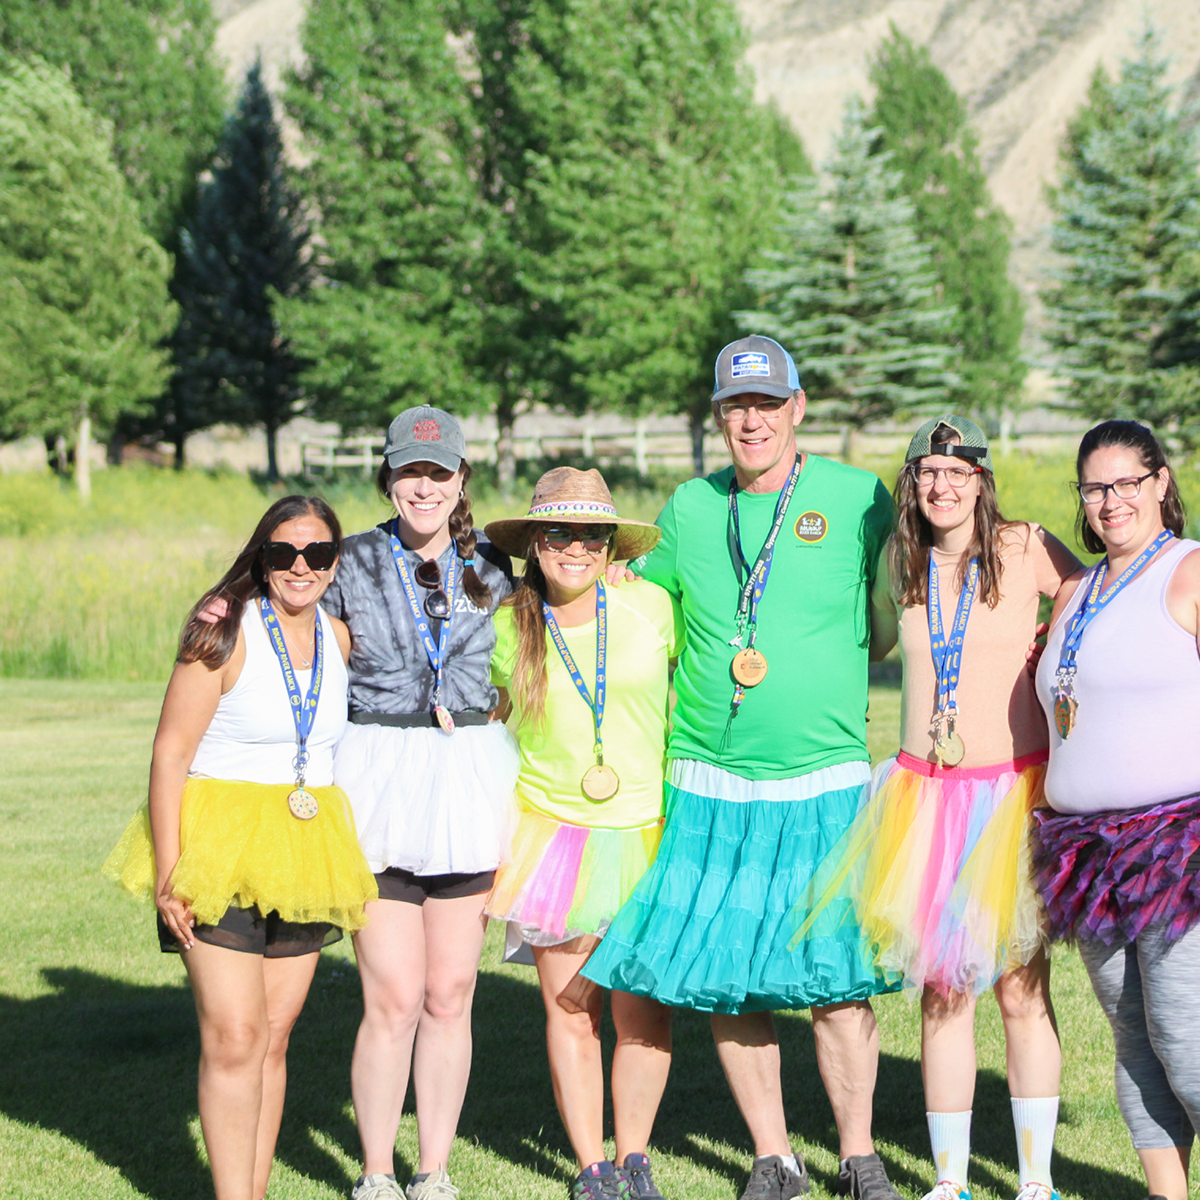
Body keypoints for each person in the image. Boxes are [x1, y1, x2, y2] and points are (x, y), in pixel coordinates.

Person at [583, 335, 903, 1200]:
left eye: (767, 404)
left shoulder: (857, 499)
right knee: (732, 978)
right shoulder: (691, 506)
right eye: (736, 407)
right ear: (719, 417)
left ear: (798, 408)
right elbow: (630, 605)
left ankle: (860, 1155)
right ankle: (774, 1156)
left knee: (838, 983)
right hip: (710, 783)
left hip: (824, 779)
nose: (751, 421)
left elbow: (885, 626)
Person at [800, 417, 1078, 1200]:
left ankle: (1034, 1181)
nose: (942, 487)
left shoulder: (1026, 546)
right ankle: (950, 1181)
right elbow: (870, 640)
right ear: (913, 485)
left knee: (1021, 989)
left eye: (958, 473)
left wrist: (1056, 654)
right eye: (927, 474)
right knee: (942, 990)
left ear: (982, 481)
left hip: (1007, 792)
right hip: (923, 796)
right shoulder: (902, 559)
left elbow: (1097, 596)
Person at [103, 495, 378, 1200]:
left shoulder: (340, 639)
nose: (299, 567)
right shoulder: (222, 628)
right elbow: (170, 754)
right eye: (283, 552)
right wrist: (171, 873)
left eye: (316, 554)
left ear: (333, 563)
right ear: (262, 556)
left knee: (274, 1039)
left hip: (308, 845)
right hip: (218, 846)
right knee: (234, 1037)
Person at [321, 406, 519, 1200]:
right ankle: (375, 1171)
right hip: (377, 774)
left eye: (439, 473)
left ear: (462, 479)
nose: (424, 486)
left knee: (450, 993)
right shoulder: (347, 561)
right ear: (389, 476)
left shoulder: (499, 565)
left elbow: (574, 593)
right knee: (393, 995)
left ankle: (432, 1170)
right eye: (410, 471)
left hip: (467, 775)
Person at [483, 468, 682, 1200]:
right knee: (572, 1009)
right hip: (556, 837)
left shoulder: (651, 607)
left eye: (592, 533)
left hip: (646, 833)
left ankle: (635, 1158)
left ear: (611, 544)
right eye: (559, 532)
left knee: (643, 1011)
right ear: (535, 544)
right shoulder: (506, 628)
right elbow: (486, 724)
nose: (577, 546)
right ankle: (590, 1167)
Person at [1033, 420, 1200, 1200]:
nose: (1110, 502)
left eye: (1126, 482)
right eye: (1094, 488)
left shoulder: (1190, 572)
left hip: (1177, 848)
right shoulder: (1076, 587)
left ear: (1161, 482)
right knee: (1133, 1044)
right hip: (1083, 854)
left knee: (1188, 1040)